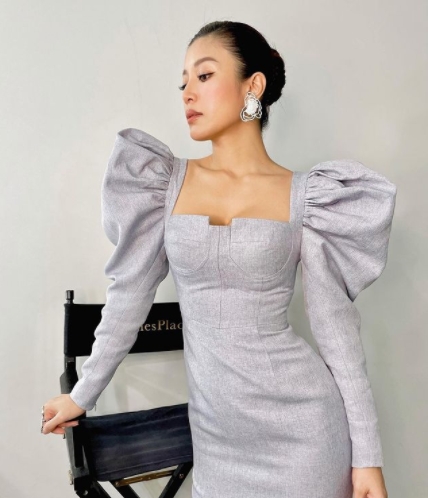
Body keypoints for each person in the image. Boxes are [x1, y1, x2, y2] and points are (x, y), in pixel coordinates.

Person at [42, 20, 396, 498]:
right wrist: (82, 394)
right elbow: (128, 298)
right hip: (217, 443)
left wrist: (368, 457)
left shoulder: (308, 199)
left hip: (305, 435)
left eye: (205, 76)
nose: (188, 93)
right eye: (183, 81)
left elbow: (337, 332)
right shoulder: (162, 185)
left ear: (254, 86)